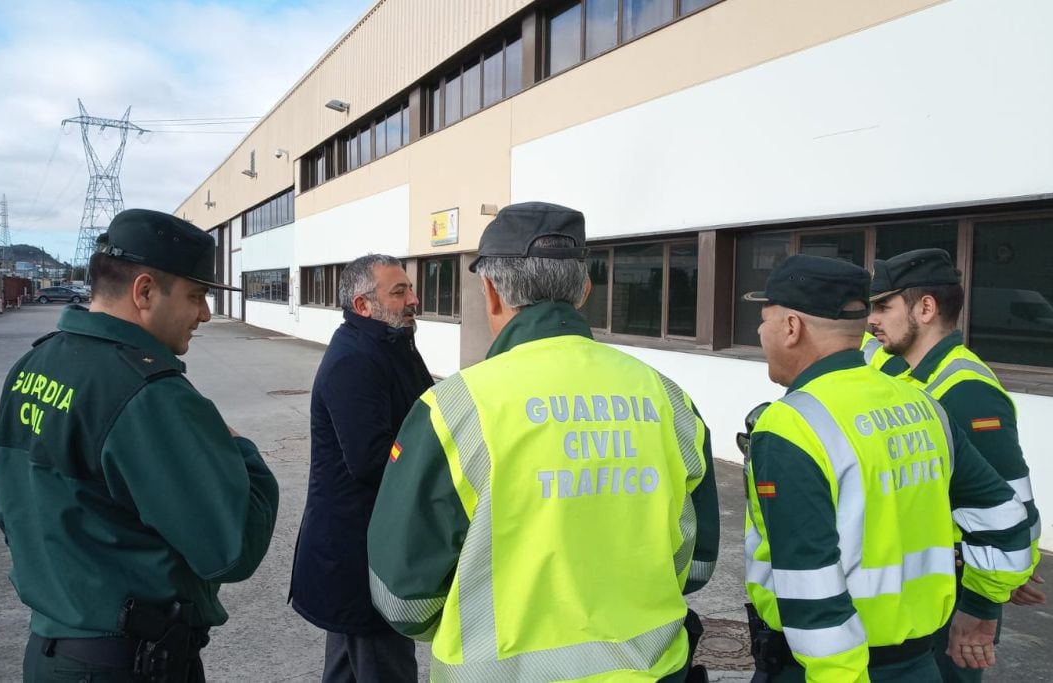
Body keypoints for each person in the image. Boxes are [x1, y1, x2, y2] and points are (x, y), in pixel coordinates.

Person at [367, 201, 720, 682]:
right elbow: (695, 565)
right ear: (585, 290)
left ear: (490, 292)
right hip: (654, 669)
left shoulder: (454, 409)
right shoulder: (669, 400)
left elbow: (403, 600)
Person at [0, 208, 280, 682]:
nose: (205, 314)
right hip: (126, 664)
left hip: (51, 653)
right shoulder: (148, 393)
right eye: (196, 295)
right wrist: (241, 450)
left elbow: (9, 506)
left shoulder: (35, 364)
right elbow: (231, 549)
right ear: (144, 292)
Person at [740, 254, 1037, 681]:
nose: (758, 331)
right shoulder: (922, 405)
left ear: (791, 327)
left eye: (764, 319)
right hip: (918, 665)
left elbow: (810, 585)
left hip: (834, 670)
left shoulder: (792, 424)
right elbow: (1007, 520)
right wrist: (981, 603)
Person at [867, 247, 1044, 681]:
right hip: (919, 589)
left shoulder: (965, 389)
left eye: (883, 306)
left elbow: (1012, 505)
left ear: (925, 308)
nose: (871, 320)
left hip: (957, 596)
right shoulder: (896, 368)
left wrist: (983, 605)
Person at [288, 254, 432, 683]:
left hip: (366, 547)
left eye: (410, 288)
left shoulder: (392, 345)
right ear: (363, 305)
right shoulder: (356, 359)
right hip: (357, 553)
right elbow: (372, 460)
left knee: (350, 666)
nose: (414, 299)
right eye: (400, 291)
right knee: (381, 666)